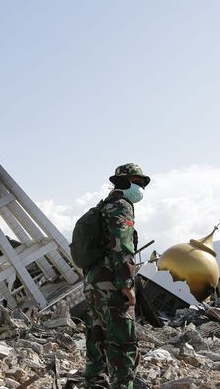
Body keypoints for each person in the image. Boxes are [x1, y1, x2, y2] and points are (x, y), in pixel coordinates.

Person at [83, 163, 150, 388]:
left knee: (96, 342)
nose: (141, 187)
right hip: (112, 284)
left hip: (93, 284)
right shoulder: (121, 206)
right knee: (123, 345)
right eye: (138, 182)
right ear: (123, 182)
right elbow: (122, 246)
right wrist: (126, 284)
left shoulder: (103, 207)